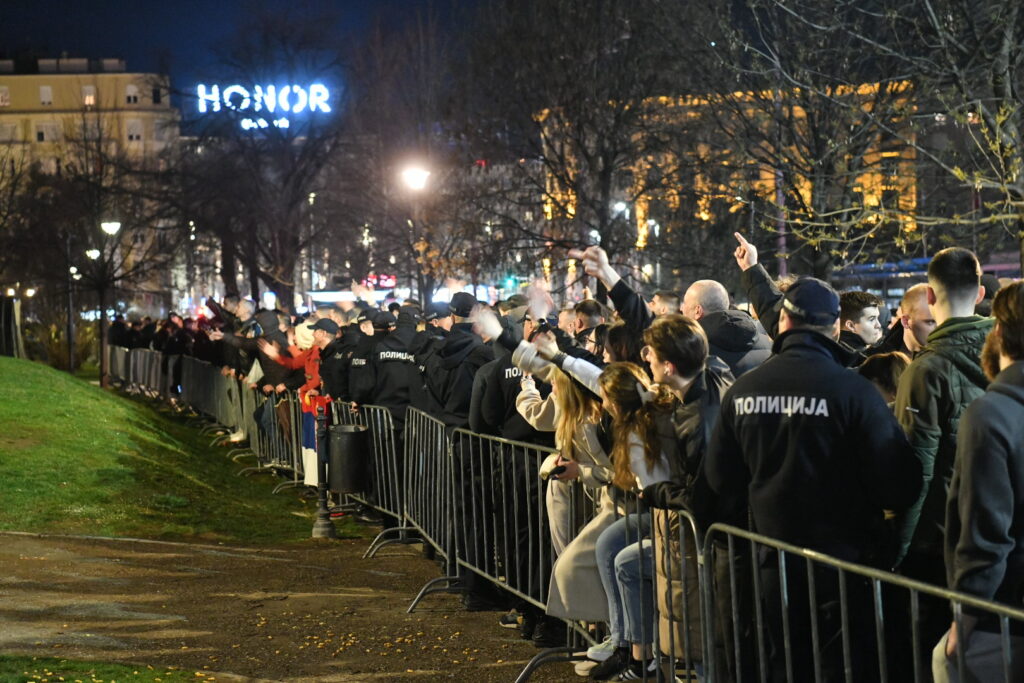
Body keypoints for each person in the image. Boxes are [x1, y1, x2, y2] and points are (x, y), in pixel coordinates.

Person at [705, 276, 921, 682]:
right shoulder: (854, 392)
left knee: (785, 664)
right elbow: (901, 483)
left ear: (783, 322)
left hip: (772, 564)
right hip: (845, 566)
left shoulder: (743, 391)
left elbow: (720, 478)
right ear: (836, 326)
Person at [894, 247, 992, 662]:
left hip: (939, 544)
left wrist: (896, 550)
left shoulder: (926, 370)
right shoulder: (1007, 358)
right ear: (981, 292)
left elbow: (916, 469)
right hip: (995, 540)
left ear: (930, 299)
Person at [935, 282, 1024, 682]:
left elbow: (985, 535)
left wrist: (964, 617)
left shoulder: (991, 415)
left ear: (1000, 333)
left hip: (1003, 617)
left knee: (945, 661)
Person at [839, 290, 884, 356]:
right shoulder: (861, 360)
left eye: (877, 318)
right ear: (851, 326)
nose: (878, 325)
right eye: (871, 319)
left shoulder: (831, 352)